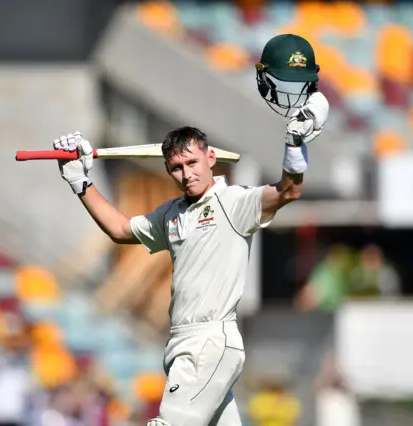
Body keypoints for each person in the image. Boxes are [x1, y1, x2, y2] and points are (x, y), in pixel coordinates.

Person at [52, 34, 329, 426]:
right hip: (183, 342)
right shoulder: (172, 214)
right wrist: (81, 182)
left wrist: (294, 143)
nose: (187, 174)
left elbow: (288, 190)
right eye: (177, 168)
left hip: (209, 342)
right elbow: (118, 229)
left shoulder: (234, 202)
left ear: (211, 158)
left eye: (193, 163)